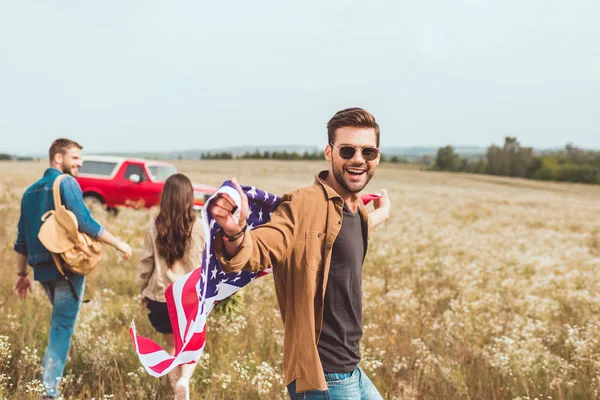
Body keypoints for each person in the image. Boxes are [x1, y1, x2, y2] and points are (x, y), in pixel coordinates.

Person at [209, 108, 391, 399]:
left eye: (367, 152)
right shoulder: (302, 204)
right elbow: (260, 249)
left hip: (351, 367)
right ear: (329, 153)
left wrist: (381, 213)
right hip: (324, 374)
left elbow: (344, 237)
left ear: (377, 157)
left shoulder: (355, 211)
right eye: (347, 150)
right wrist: (235, 232)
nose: (358, 159)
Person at [13, 138, 133, 399]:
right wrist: (119, 243)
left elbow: (22, 240)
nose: (79, 163)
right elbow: (86, 223)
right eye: (75, 158)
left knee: (60, 324)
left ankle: (51, 382)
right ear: (59, 158)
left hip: (43, 271)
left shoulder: (29, 192)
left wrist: (22, 275)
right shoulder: (66, 183)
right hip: (66, 267)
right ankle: (50, 392)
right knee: (62, 328)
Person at [136, 173, 204, 400]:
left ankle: (178, 391)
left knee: (172, 349)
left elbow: (146, 263)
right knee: (192, 346)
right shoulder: (200, 228)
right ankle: (184, 380)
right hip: (190, 299)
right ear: (189, 198)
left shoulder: (153, 226)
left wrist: (142, 290)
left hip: (160, 297)